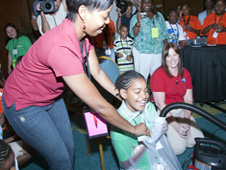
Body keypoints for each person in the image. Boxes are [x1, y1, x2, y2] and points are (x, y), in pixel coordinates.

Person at [2, 0, 150, 169]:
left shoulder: (83, 36)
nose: (108, 21)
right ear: (83, 12)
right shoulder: (61, 46)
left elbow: (97, 72)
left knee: (68, 149)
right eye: (104, 16)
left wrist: (123, 96)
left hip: (51, 97)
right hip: (24, 103)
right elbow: (100, 106)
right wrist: (133, 129)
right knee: (60, 159)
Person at [111, 70, 181, 170]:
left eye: (145, 91)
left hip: (158, 160)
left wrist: (161, 127)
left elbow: (157, 131)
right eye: (137, 92)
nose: (144, 96)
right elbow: (126, 163)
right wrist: (147, 141)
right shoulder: (118, 125)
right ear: (123, 93)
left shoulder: (149, 108)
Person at [150, 42, 204, 155]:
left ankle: (177, 133)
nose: (172, 59)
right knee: (178, 149)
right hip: (165, 112)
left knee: (196, 142)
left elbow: (189, 100)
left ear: (179, 56)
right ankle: (159, 136)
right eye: (168, 56)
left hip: (181, 109)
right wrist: (176, 126)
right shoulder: (158, 75)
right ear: (164, 59)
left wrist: (186, 120)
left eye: (175, 55)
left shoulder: (186, 73)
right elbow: (160, 104)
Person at [129, 0, 169, 81]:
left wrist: (166, 48)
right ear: (142, 4)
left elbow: (164, 32)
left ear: (152, 4)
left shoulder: (159, 16)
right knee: (141, 78)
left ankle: (156, 94)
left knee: (158, 79)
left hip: (158, 51)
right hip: (142, 52)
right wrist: (138, 23)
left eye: (149, 2)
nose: (147, 4)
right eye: (144, 2)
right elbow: (133, 34)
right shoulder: (136, 17)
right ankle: (142, 93)